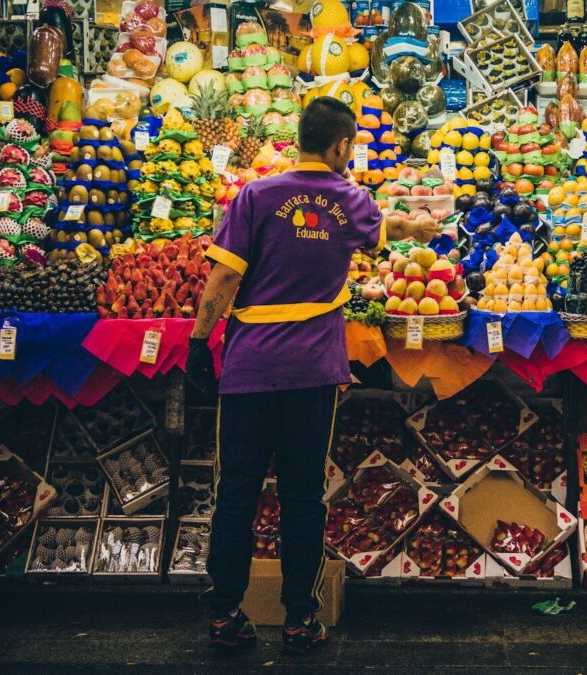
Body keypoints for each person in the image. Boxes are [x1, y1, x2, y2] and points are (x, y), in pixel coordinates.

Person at [186, 97, 439, 655]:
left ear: (300, 138)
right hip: (312, 373)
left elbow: (223, 280)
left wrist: (199, 343)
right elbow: (389, 229)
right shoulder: (351, 200)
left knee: (236, 492)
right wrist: (419, 227)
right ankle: (300, 619)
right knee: (304, 496)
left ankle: (225, 614)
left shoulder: (255, 195)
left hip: (249, 369)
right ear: (341, 145)